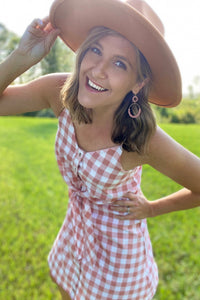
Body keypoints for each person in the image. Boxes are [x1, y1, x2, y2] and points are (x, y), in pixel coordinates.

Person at [0, 0, 200, 299]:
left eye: (120, 63)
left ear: (139, 82)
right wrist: (20, 57)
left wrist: (151, 208)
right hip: (74, 236)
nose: (99, 70)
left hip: (119, 261)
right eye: (96, 50)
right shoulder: (59, 95)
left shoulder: (140, 138)